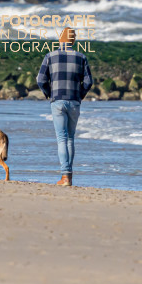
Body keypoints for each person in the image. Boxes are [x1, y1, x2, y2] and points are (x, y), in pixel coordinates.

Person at [36, 26, 93, 187]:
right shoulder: (81, 57)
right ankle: (69, 176)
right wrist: (80, 94)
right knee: (70, 138)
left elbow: (40, 79)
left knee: (62, 137)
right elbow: (89, 82)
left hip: (58, 100)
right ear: (73, 41)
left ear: (60, 39)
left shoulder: (50, 56)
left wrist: (49, 93)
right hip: (74, 101)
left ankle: (65, 176)